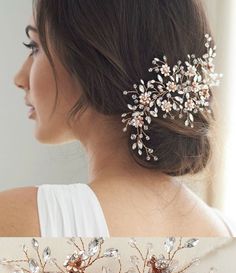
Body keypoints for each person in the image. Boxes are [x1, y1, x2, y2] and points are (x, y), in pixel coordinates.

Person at [0, 0, 234, 237]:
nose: (20, 78)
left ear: (90, 59)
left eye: (35, 48)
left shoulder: (19, 220)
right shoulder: (225, 232)